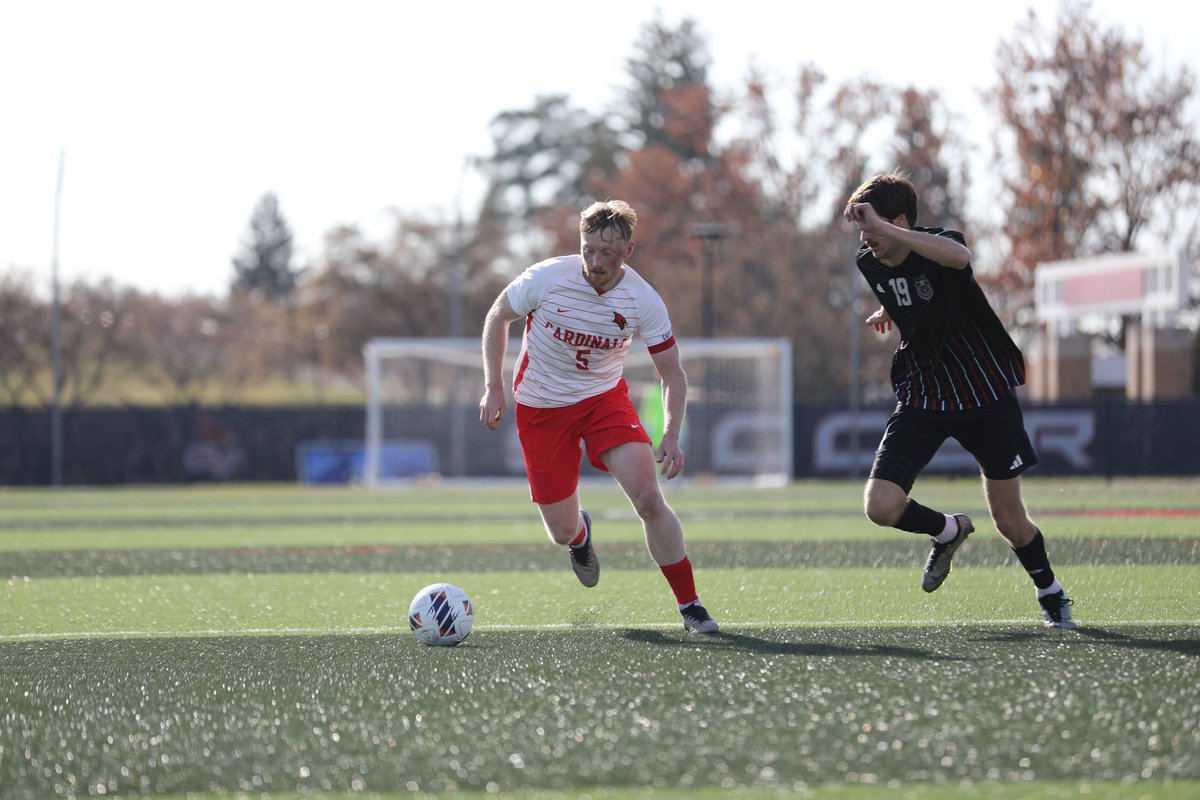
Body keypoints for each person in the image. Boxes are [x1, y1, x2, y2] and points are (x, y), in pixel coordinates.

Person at [843, 172, 1076, 629]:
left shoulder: (941, 241)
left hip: (983, 390)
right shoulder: (869, 261)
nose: (867, 239)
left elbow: (957, 258)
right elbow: (915, 289)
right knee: (880, 506)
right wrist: (890, 308)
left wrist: (884, 231)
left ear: (902, 221)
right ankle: (948, 530)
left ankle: (1049, 590)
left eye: (874, 226)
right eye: (862, 229)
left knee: (1009, 518)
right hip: (925, 393)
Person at [479, 199, 719, 634]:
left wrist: (671, 434)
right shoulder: (547, 277)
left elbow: (672, 373)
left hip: (603, 401)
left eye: (607, 253)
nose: (595, 261)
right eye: (589, 249)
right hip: (541, 407)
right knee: (560, 531)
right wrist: (494, 385)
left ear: (628, 251)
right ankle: (580, 537)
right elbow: (498, 317)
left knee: (648, 497)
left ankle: (690, 605)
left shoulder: (643, 299)